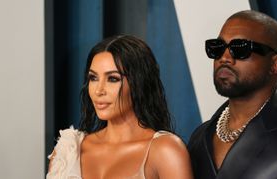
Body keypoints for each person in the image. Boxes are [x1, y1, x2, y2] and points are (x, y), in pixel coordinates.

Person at [188, 10, 277, 179]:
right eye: (217, 48)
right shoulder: (200, 137)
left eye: (240, 48)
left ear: (275, 64)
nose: (224, 58)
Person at [47, 35, 193, 179]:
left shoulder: (165, 151)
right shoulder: (68, 150)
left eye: (112, 79)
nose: (99, 90)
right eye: (93, 78)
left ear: (139, 84)